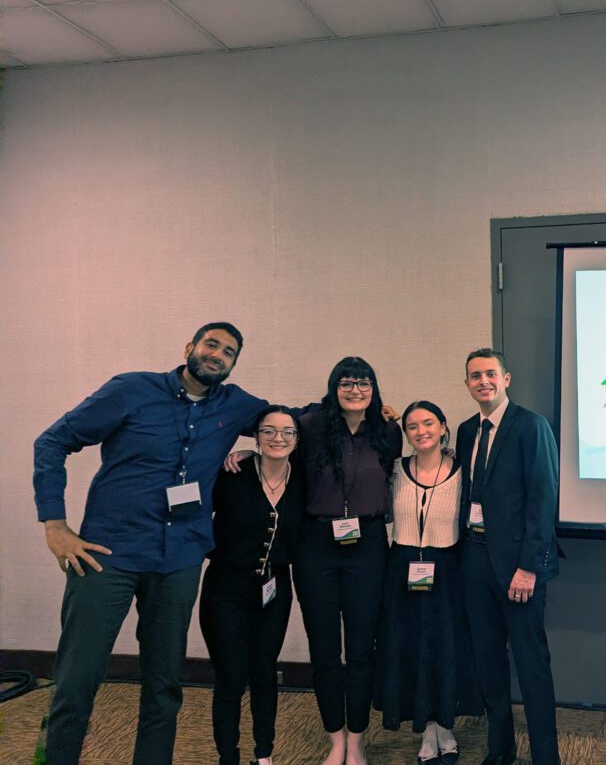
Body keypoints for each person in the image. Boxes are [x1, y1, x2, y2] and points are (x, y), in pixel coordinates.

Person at [33, 322, 269, 765]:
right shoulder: (131, 390)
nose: (218, 354)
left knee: (164, 687)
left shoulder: (235, 405)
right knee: (75, 680)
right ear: (190, 348)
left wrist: (367, 414)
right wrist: (54, 524)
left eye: (229, 352)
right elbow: (53, 441)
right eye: (211, 344)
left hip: (179, 560)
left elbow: (291, 421)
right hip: (106, 555)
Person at [294, 357, 402, 765]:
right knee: (324, 649)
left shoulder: (388, 431)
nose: (355, 390)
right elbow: (275, 436)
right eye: (347, 382)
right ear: (333, 386)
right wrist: (243, 456)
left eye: (364, 383)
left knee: (361, 649)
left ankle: (356, 739)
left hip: (368, 544)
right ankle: (334, 738)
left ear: (374, 389)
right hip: (316, 543)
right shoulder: (311, 426)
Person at [456, 348, 560, 765]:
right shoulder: (466, 430)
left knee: (532, 668)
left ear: (506, 378)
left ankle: (545, 757)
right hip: (475, 561)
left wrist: (529, 567)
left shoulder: (531, 426)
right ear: (467, 384)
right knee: (488, 664)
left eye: (490, 374)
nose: (483, 381)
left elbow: (543, 498)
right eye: (475, 376)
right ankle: (500, 752)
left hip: (520, 568)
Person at [375, 400, 483, 763]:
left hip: (448, 569)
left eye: (428, 423)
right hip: (401, 569)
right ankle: (426, 733)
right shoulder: (394, 470)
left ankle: (444, 727)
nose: (421, 432)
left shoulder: (463, 471)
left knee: (443, 649)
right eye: (412, 427)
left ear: (442, 427)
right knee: (410, 650)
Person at [199, 405, 304, 765]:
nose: (278, 438)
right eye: (269, 431)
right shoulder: (232, 472)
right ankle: (227, 756)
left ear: (297, 439)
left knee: (264, 673)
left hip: (276, 589)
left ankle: (264, 754)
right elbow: (192, 510)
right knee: (230, 677)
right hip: (225, 589)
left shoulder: (304, 477)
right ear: (255, 436)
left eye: (287, 432)